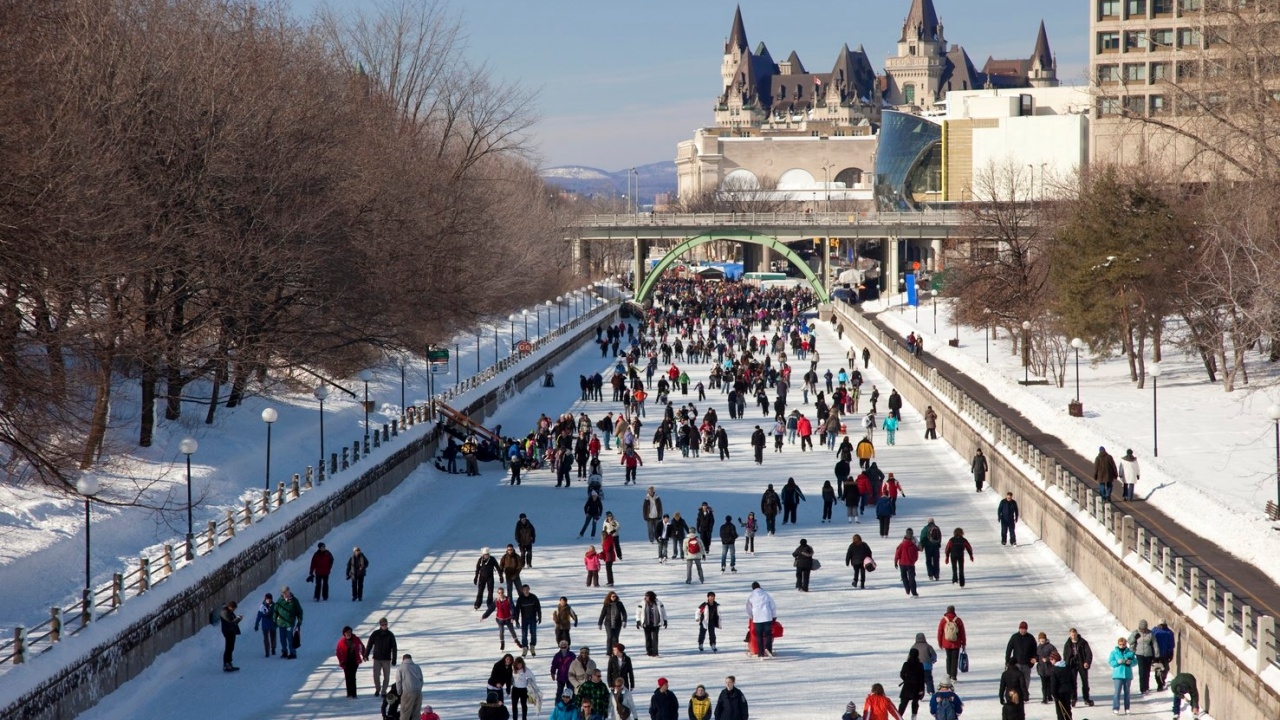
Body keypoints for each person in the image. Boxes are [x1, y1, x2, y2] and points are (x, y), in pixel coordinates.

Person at [366, 617, 398, 697]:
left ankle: (384, 691)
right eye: (382, 624)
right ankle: (377, 689)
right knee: (376, 675)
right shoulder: (375, 634)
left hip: (386, 659)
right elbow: (369, 644)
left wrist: (394, 659)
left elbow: (394, 648)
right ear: (380, 625)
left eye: (385, 624)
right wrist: (366, 654)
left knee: (386, 676)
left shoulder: (390, 635)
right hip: (377, 658)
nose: (384, 626)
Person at [1062, 628, 1094, 707]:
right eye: (1072, 635)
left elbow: (1089, 653)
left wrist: (1087, 662)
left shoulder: (1083, 642)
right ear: (1070, 635)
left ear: (1076, 634)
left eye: (1074, 634)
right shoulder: (1068, 643)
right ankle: (1074, 698)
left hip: (1081, 663)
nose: (1073, 636)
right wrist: (1067, 663)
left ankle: (1086, 698)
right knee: (1072, 682)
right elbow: (1065, 654)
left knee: (1085, 681)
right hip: (1072, 664)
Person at [745, 582, 777, 658]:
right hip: (767, 617)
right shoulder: (766, 595)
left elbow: (748, 608)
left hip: (757, 618)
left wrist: (751, 616)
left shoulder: (751, 597)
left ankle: (760, 653)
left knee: (759, 636)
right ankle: (768, 648)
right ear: (760, 586)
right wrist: (774, 616)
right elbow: (773, 606)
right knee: (768, 634)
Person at [936, 606, 966, 683]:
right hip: (956, 643)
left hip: (946, 643)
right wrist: (963, 643)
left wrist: (940, 642)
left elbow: (940, 632)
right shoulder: (958, 620)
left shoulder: (944, 620)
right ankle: (954, 676)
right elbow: (962, 632)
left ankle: (948, 675)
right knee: (954, 659)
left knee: (948, 658)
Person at [272, 586, 303, 659]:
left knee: (290, 638)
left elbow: (299, 611)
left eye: (285, 592)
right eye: (283, 593)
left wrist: (299, 621)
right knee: (282, 638)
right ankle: (284, 652)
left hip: (289, 623)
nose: (284, 594)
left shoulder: (294, 601)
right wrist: (274, 620)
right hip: (281, 623)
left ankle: (293, 652)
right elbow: (275, 611)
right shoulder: (280, 600)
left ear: (289, 591)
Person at [1108, 636, 1136, 714]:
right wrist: (1117, 662)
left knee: (1127, 692)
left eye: (1123, 644)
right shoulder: (1114, 652)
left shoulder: (1129, 653)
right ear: (1118, 644)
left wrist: (1130, 662)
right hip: (1118, 675)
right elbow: (1111, 662)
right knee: (1117, 692)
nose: (1122, 646)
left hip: (1127, 675)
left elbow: (1135, 661)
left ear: (1125, 644)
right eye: (1120, 644)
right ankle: (1116, 707)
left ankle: (1127, 708)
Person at [336, 625, 366, 698]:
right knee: (347, 677)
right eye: (347, 632)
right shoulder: (341, 642)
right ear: (344, 634)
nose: (348, 633)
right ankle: (349, 694)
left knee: (352, 677)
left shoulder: (356, 639)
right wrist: (341, 661)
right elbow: (338, 652)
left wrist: (364, 655)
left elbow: (361, 647)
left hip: (354, 661)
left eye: (349, 632)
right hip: (346, 662)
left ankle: (354, 694)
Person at [1006, 621, 1037, 692]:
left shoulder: (1030, 638)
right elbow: (1009, 650)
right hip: (1017, 664)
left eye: (1024, 629)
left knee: (1026, 680)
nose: (1023, 630)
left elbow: (1035, 650)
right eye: (1021, 629)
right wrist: (1007, 661)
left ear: (1027, 629)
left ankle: (1025, 694)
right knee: (1016, 680)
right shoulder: (1014, 637)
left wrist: (1033, 661)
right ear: (1019, 629)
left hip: (1027, 664)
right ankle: (1017, 694)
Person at [1127, 619, 1156, 695]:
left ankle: (1146, 687)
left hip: (1148, 654)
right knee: (1142, 671)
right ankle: (1142, 688)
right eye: (1141, 629)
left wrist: (1157, 655)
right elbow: (1129, 641)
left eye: (1144, 629)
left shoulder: (1150, 633)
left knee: (1147, 671)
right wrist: (1134, 637)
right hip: (1139, 654)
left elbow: (1155, 644)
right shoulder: (1136, 633)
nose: (1143, 630)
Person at [635, 591, 668, 657]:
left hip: (656, 623)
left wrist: (665, 620)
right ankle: (649, 651)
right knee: (648, 638)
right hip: (646, 623)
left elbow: (663, 612)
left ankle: (655, 652)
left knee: (655, 638)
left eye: (648, 596)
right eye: (646, 596)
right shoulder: (642, 603)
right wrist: (638, 621)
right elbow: (638, 613)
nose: (646, 598)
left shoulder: (659, 603)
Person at [515, 585, 543, 657]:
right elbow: (517, 610)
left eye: (527, 590)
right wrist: (516, 620)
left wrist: (539, 616)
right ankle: (525, 647)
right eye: (524, 590)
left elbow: (538, 607)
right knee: (524, 634)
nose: (526, 591)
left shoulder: (533, 597)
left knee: (533, 632)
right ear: (522, 591)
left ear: (529, 589)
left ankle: (532, 646)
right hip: (524, 619)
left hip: (533, 618)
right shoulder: (520, 599)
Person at [898, 649, 926, 718]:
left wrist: (906, 679)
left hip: (907, 686)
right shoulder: (920, 665)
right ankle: (914, 717)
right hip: (916, 687)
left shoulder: (906, 664)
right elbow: (922, 678)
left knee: (903, 703)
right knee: (915, 703)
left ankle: (898, 716)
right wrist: (922, 689)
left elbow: (902, 674)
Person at [395, 654, 424, 720]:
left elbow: (398, 681)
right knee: (416, 713)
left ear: (403, 659)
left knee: (405, 713)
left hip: (407, 692)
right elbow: (421, 680)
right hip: (418, 692)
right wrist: (418, 689)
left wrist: (399, 692)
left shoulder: (401, 668)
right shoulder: (417, 667)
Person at [1048, 651, 1075, 720]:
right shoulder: (1067, 667)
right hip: (1068, 691)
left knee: (1060, 711)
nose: (1050, 661)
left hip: (1059, 693)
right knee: (1067, 709)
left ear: (1055, 659)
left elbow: (1053, 684)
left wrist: (1054, 695)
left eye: (1051, 659)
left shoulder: (1054, 670)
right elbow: (1072, 680)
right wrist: (1073, 691)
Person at [893, 528, 920, 597]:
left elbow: (897, 553)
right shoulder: (913, 545)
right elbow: (916, 555)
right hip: (910, 564)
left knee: (904, 577)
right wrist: (913, 561)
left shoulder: (902, 544)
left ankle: (907, 589)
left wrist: (896, 561)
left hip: (902, 563)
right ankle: (914, 592)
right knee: (912, 578)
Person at [1151, 620, 1175, 692]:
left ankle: (1162, 680)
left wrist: (1171, 652)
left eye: (1163, 625)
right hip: (1156, 654)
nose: (1161, 626)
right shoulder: (1155, 631)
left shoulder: (1169, 633)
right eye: (1160, 625)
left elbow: (1171, 644)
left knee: (1165, 668)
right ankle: (1160, 684)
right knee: (1158, 669)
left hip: (1165, 654)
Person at [1036, 633, 1059, 704]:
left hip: (1050, 668)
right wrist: (1035, 659)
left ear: (1045, 639)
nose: (1042, 640)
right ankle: (1044, 698)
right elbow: (1037, 657)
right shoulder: (1038, 647)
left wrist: (1048, 659)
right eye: (1040, 639)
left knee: (1050, 683)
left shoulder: (1050, 646)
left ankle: (1050, 696)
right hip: (1041, 669)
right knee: (1044, 684)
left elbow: (1056, 655)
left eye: (1043, 638)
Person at [219, 600, 242, 672]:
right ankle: (226, 664)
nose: (234, 610)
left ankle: (229, 662)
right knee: (228, 648)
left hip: (231, 631)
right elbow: (230, 622)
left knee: (231, 648)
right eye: (234, 608)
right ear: (230, 607)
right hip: (228, 631)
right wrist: (238, 619)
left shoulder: (229, 612)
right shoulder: (225, 612)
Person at [253, 593, 277, 657]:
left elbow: (277, 614)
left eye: (269, 599)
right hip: (265, 625)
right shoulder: (262, 606)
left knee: (273, 637)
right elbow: (259, 616)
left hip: (273, 624)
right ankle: (267, 652)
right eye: (267, 599)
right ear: (265, 599)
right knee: (266, 639)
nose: (268, 600)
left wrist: (277, 621)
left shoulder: (274, 605)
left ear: (271, 599)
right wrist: (256, 624)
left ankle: (273, 648)